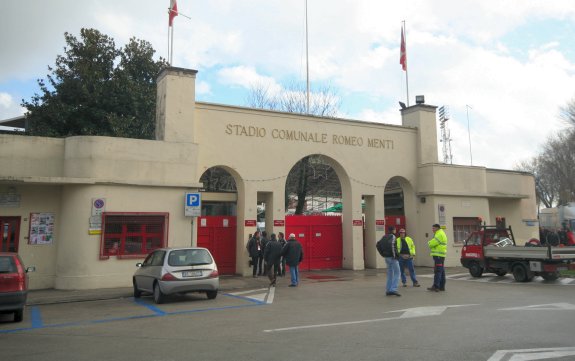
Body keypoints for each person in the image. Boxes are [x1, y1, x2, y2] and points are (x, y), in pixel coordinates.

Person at [376, 226, 401, 296]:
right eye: (395, 229)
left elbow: (378, 244)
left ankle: (388, 290)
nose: (396, 230)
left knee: (390, 274)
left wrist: (382, 254)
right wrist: (395, 256)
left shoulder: (384, 236)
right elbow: (392, 246)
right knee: (397, 273)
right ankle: (393, 289)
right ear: (393, 230)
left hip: (387, 257)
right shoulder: (393, 237)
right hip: (392, 258)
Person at [427, 224, 447, 292]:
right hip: (440, 255)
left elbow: (432, 243)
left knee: (438, 270)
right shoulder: (441, 233)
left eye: (433, 228)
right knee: (441, 270)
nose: (432, 230)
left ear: (437, 228)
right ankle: (441, 286)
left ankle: (436, 286)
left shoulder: (439, 234)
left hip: (438, 255)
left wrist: (429, 242)